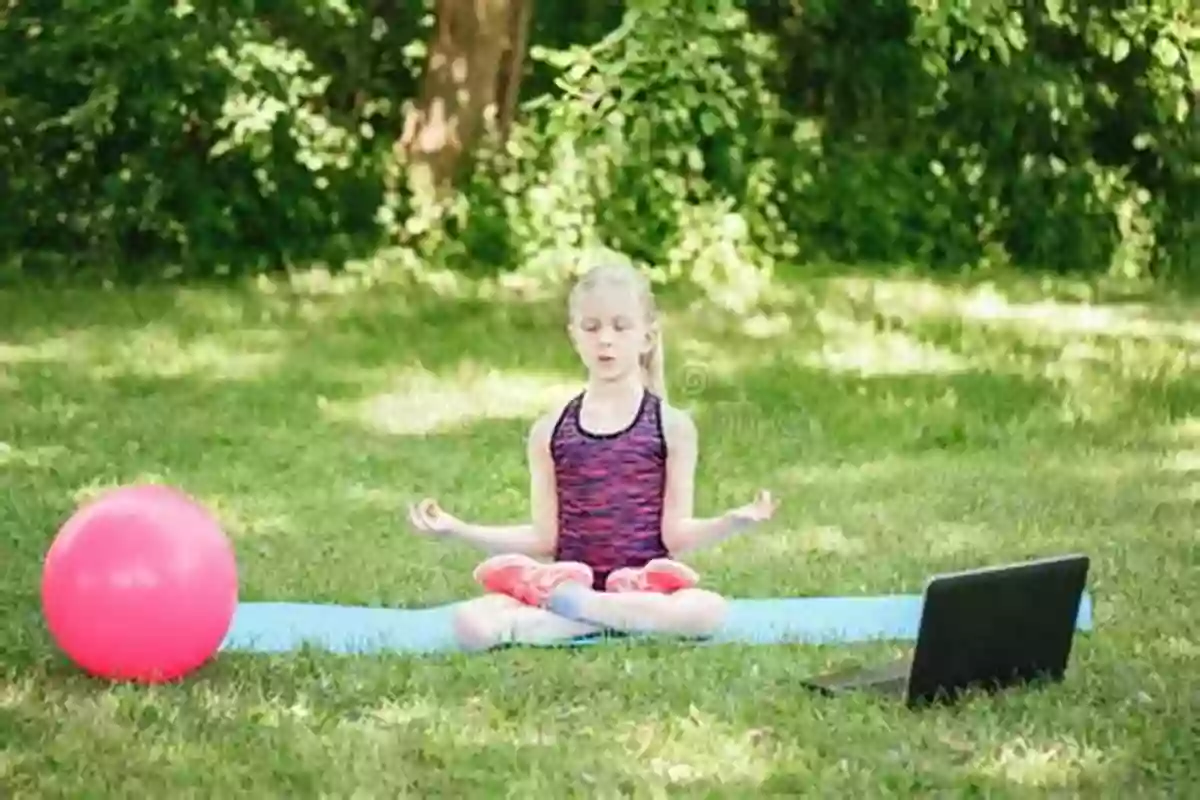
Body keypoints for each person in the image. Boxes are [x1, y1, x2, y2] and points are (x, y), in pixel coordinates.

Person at [407, 256, 778, 650]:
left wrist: (733, 522)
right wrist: (459, 529)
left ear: (646, 337)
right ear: (574, 336)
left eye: (620, 327)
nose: (605, 339)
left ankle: (585, 614)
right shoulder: (549, 431)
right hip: (566, 583)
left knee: (708, 611)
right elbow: (544, 538)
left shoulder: (671, 427)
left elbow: (675, 535)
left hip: (643, 588)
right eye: (592, 327)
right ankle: (605, 616)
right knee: (469, 624)